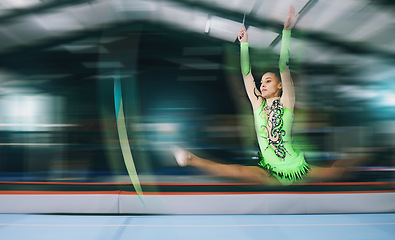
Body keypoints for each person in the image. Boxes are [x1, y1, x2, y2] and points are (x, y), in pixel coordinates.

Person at [172, 5, 343, 185]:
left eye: (268, 81)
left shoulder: (286, 102)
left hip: (294, 168)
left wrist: (286, 31)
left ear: (279, 85)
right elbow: (246, 74)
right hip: (269, 170)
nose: (262, 84)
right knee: (236, 170)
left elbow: (283, 65)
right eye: (261, 82)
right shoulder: (258, 105)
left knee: (335, 174)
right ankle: (189, 158)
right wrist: (244, 44)